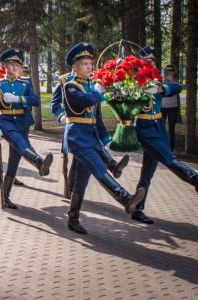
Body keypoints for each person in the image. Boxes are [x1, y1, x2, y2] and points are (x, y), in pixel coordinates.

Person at [50, 42, 145, 234]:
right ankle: (125, 199)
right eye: (84, 64)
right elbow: (85, 101)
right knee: (100, 170)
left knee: (81, 183)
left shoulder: (91, 86)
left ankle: (73, 218)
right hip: (77, 139)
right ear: (74, 67)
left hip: (91, 137)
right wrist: (98, 91)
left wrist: (106, 138)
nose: (88, 67)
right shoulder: (70, 86)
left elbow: (97, 117)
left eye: (90, 63)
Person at [133, 46, 198, 224]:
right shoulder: (133, 81)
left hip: (159, 127)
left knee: (147, 172)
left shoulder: (158, 80)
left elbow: (176, 86)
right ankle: (194, 179)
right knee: (168, 157)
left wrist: (164, 89)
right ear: (140, 63)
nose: (151, 63)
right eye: (148, 61)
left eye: (153, 61)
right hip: (144, 128)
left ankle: (138, 209)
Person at [0, 48, 53, 209]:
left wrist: (18, 98)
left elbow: (35, 101)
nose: (15, 67)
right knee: (21, 143)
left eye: (17, 64)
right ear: (5, 65)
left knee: (14, 162)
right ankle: (39, 162)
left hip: (22, 121)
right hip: (6, 121)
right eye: (11, 63)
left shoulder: (26, 83)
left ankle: (5, 196)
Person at [161, 64, 181, 152]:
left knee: (171, 129)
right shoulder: (162, 81)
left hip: (173, 108)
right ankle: (161, 147)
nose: (169, 71)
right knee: (161, 127)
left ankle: (171, 149)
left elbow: (176, 89)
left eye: (171, 70)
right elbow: (161, 91)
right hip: (163, 108)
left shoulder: (176, 82)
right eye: (167, 70)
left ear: (174, 71)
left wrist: (170, 80)